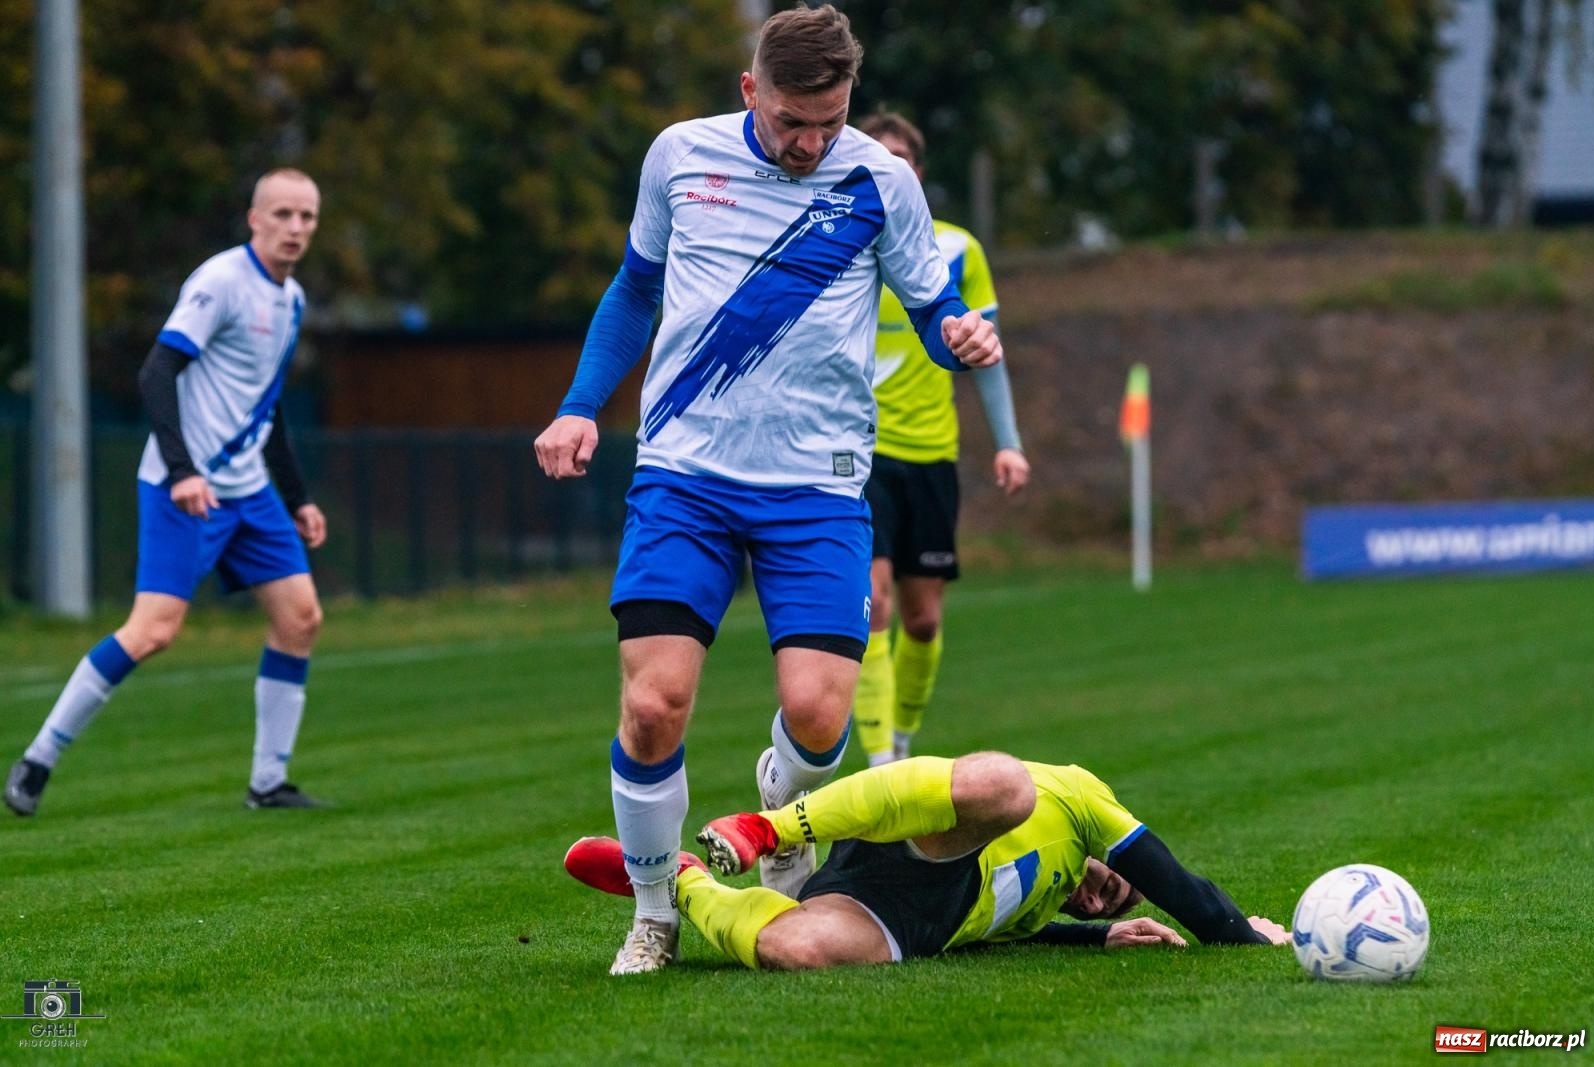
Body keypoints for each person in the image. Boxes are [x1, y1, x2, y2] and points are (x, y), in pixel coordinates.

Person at [533, 4, 1002, 975]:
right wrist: (580, 406)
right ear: (751, 90)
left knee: (822, 716)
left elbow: (933, 307)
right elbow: (634, 289)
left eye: (831, 122)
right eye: (792, 122)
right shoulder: (679, 156)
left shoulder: (881, 180)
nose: (811, 143)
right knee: (653, 704)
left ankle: (779, 810)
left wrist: (957, 334)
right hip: (685, 475)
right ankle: (655, 912)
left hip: (818, 485)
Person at [5, 168, 328, 818]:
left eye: (307, 217)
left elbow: (266, 406)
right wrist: (183, 470)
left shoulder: (291, 300)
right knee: (153, 630)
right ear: (254, 218)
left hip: (250, 491)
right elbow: (157, 372)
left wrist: (297, 497)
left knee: (301, 617)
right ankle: (37, 759)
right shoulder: (221, 281)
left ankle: (268, 782)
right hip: (185, 487)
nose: (295, 228)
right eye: (283, 214)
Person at [565, 751, 1291, 970]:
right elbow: (1172, 879)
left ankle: (674, 879)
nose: (1102, 896)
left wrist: (1098, 933)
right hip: (928, 834)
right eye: (1117, 884)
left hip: (913, 916)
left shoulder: (1049, 910)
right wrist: (1243, 935)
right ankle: (774, 825)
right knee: (1004, 786)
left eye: (1109, 904)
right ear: (1112, 856)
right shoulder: (1080, 797)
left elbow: (1013, 935)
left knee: (801, 950)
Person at [852, 112, 1031, 767]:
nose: (889, 169)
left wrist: (1008, 441)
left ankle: (901, 734)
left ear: (917, 173)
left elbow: (987, 353)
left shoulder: (956, 250)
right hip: (860, 453)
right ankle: (881, 763)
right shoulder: (840, 244)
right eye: (876, 158)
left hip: (932, 454)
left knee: (922, 620)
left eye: (899, 159)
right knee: (872, 605)